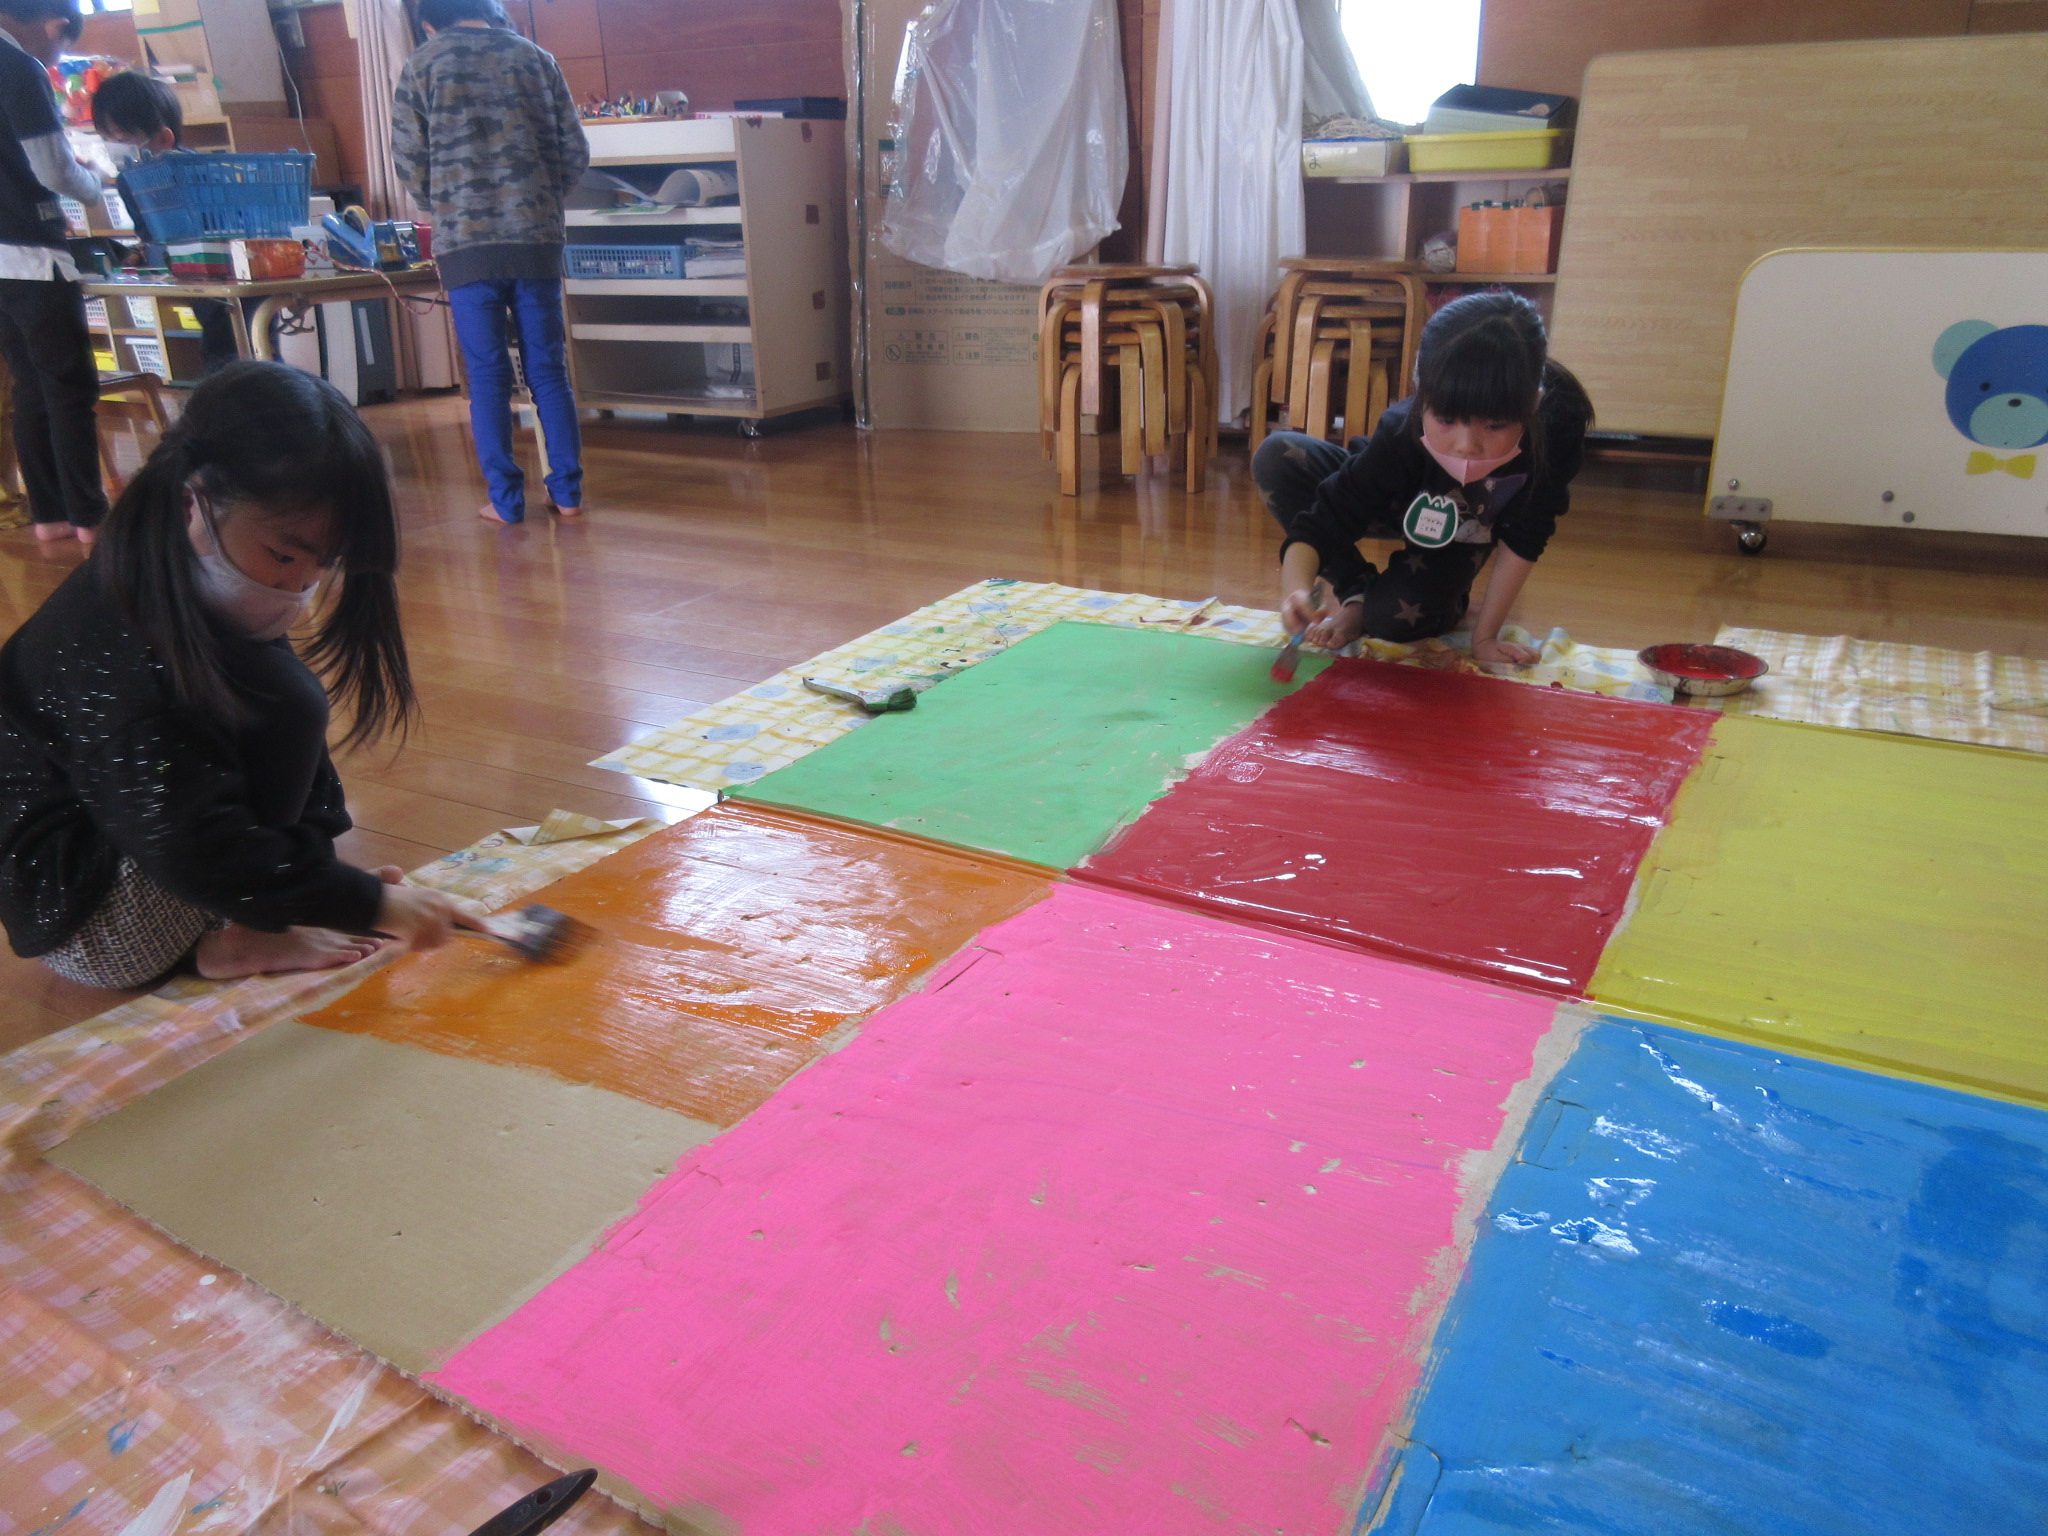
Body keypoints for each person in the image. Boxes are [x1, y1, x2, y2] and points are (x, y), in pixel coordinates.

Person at [0, 361, 464, 989]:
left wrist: (318, 886)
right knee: (283, 699)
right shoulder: (127, 649)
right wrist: (361, 903)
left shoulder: (179, 573)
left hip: (135, 842)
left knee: (283, 695)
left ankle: (246, 917)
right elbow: (192, 844)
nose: (301, 585)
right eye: (283, 555)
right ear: (190, 502)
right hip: (88, 921)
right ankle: (234, 933)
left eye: (323, 565)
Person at [1259, 290, 1594, 665]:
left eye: (1495, 425)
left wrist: (1484, 637)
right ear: (1422, 392)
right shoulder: (1401, 428)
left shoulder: (1557, 424)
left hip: (1466, 525)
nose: (1466, 446)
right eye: (1446, 419)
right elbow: (1328, 517)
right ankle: (1356, 592)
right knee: (1277, 456)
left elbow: (1528, 532)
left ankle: (1407, 603)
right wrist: (1295, 591)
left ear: (1533, 404)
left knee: (1392, 619)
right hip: (1394, 494)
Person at [392, 0, 588, 525]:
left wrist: (446, 202)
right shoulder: (536, 59)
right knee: (548, 369)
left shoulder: (423, 64)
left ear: (428, 22)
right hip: (535, 237)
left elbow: (409, 161)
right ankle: (568, 494)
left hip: (466, 243)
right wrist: (540, 197)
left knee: (487, 376)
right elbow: (574, 152)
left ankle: (506, 502)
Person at [0, 0, 108, 544]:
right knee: (68, 387)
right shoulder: (18, 68)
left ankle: (51, 515)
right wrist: (95, 187)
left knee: (30, 386)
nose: (56, 59)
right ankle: (89, 517)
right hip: (32, 257)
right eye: (62, 49)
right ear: (55, 25)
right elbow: (52, 168)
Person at [89, 69, 242, 370]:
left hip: (228, 270)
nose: (113, 149)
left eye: (122, 139)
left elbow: (228, 223)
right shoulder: (128, 180)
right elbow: (147, 233)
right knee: (216, 346)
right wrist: (141, 253)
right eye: (107, 139)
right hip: (190, 277)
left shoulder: (197, 171)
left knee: (235, 344)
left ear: (164, 138)